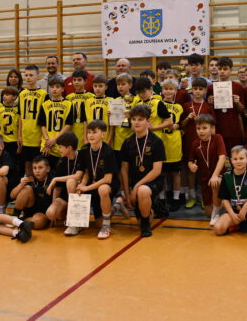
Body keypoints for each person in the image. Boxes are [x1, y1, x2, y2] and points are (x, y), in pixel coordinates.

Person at [64, 120, 119, 238]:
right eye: (89, 132)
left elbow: (107, 179)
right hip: (91, 183)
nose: (91, 135)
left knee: (103, 189)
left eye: (94, 132)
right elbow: (86, 172)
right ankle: (76, 222)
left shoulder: (108, 151)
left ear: (103, 134)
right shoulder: (84, 150)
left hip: (107, 185)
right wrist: (81, 186)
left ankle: (107, 224)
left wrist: (87, 187)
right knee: (71, 182)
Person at [120, 105, 166, 237]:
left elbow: (157, 171)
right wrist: (127, 194)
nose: (136, 122)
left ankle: (146, 226)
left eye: (140, 119)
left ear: (148, 121)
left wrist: (136, 187)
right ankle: (151, 209)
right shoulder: (127, 142)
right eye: (134, 119)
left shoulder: (156, 141)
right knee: (140, 213)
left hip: (153, 181)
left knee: (143, 190)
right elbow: (124, 170)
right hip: (135, 183)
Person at [187, 114, 227, 226]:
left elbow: (222, 157)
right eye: (198, 128)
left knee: (216, 182)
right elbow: (190, 161)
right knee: (208, 213)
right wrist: (191, 166)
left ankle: (217, 212)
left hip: (219, 175)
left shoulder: (217, 138)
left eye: (204, 128)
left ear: (212, 128)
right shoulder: (195, 143)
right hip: (205, 180)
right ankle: (224, 203)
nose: (201, 131)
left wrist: (215, 175)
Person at [180, 78, 214, 209]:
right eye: (195, 89)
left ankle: (205, 197)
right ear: (191, 90)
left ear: (205, 90)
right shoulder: (186, 106)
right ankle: (192, 196)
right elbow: (181, 125)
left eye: (201, 89)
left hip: (204, 143)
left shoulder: (208, 107)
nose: (198, 91)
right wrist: (187, 118)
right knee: (191, 170)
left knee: (204, 170)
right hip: (189, 142)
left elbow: (213, 126)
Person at [207, 57, 246, 151]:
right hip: (218, 128)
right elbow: (207, 110)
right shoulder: (211, 88)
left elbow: (242, 110)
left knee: (235, 155)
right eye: (220, 69)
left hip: (233, 128)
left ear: (231, 70)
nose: (222, 71)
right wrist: (209, 102)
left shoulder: (238, 87)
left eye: (225, 69)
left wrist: (237, 103)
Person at [18, 64, 48, 175]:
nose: (28, 78)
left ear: (37, 76)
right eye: (26, 75)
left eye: (31, 75)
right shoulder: (22, 94)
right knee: (27, 164)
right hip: (26, 136)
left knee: (39, 165)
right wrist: (19, 135)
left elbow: (45, 119)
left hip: (38, 136)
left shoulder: (44, 94)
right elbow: (20, 116)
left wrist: (43, 137)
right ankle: (29, 184)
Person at [45, 132, 81, 225]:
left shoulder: (82, 157)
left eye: (60, 147)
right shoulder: (61, 161)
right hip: (66, 194)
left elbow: (78, 176)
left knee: (70, 182)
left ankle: (75, 219)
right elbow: (58, 188)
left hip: (81, 193)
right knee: (50, 213)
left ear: (69, 148)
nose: (58, 149)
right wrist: (54, 203)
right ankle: (66, 213)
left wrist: (55, 179)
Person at [159, 79, 184, 211]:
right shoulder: (158, 104)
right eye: (166, 89)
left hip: (174, 142)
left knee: (175, 172)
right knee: (161, 173)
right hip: (161, 140)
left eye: (171, 89)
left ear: (175, 91)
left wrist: (177, 125)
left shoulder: (179, 107)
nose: (168, 91)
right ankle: (162, 198)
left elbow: (181, 123)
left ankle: (176, 198)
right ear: (162, 91)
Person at [38, 76, 73, 165]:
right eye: (52, 87)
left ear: (62, 89)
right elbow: (42, 125)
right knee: (46, 169)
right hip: (47, 145)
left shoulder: (68, 104)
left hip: (61, 144)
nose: (54, 89)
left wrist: (55, 139)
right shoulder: (45, 104)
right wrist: (47, 141)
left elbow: (68, 125)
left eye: (57, 87)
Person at [10, 156, 53, 230]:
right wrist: (21, 185)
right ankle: (15, 216)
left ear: (48, 169)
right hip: (30, 208)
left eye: (40, 168)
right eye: (34, 168)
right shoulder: (30, 178)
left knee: (38, 222)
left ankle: (19, 221)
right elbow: (12, 196)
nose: (37, 171)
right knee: (26, 189)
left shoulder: (53, 179)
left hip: (43, 213)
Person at [66, 69, 94, 149]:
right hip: (73, 130)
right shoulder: (68, 98)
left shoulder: (91, 97)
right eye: (74, 80)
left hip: (86, 131)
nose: (76, 82)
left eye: (79, 80)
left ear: (85, 81)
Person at [111, 73, 136, 162]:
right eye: (118, 85)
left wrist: (130, 117)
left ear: (130, 85)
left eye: (123, 84)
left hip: (131, 139)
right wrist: (111, 116)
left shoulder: (136, 100)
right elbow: (113, 124)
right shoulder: (115, 101)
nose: (120, 87)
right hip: (118, 141)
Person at [85, 75, 113, 145]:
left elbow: (112, 124)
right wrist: (85, 139)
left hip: (105, 137)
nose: (97, 88)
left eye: (100, 86)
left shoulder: (111, 100)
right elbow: (85, 122)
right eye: (95, 86)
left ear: (106, 87)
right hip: (91, 136)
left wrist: (109, 139)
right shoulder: (88, 101)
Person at [0, 86, 21, 159]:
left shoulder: (18, 111)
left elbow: (19, 127)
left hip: (14, 141)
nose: (4, 96)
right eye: (3, 94)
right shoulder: (0, 110)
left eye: (7, 95)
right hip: (2, 141)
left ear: (14, 97)